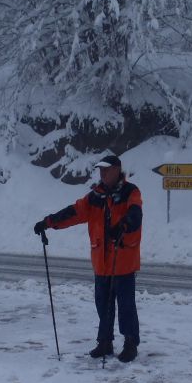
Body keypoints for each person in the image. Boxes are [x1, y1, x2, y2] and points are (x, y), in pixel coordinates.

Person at [34, 155, 143, 363]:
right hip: (101, 262)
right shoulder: (95, 197)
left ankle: (130, 343)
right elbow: (73, 213)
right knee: (103, 304)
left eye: (107, 170)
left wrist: (125, 224)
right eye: (101, 170)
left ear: (117, 170)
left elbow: (135, 213)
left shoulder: (131, 192)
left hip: (123, 260)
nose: (102, 174)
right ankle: (105, 342)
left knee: (126, 304)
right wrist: (47, 222)